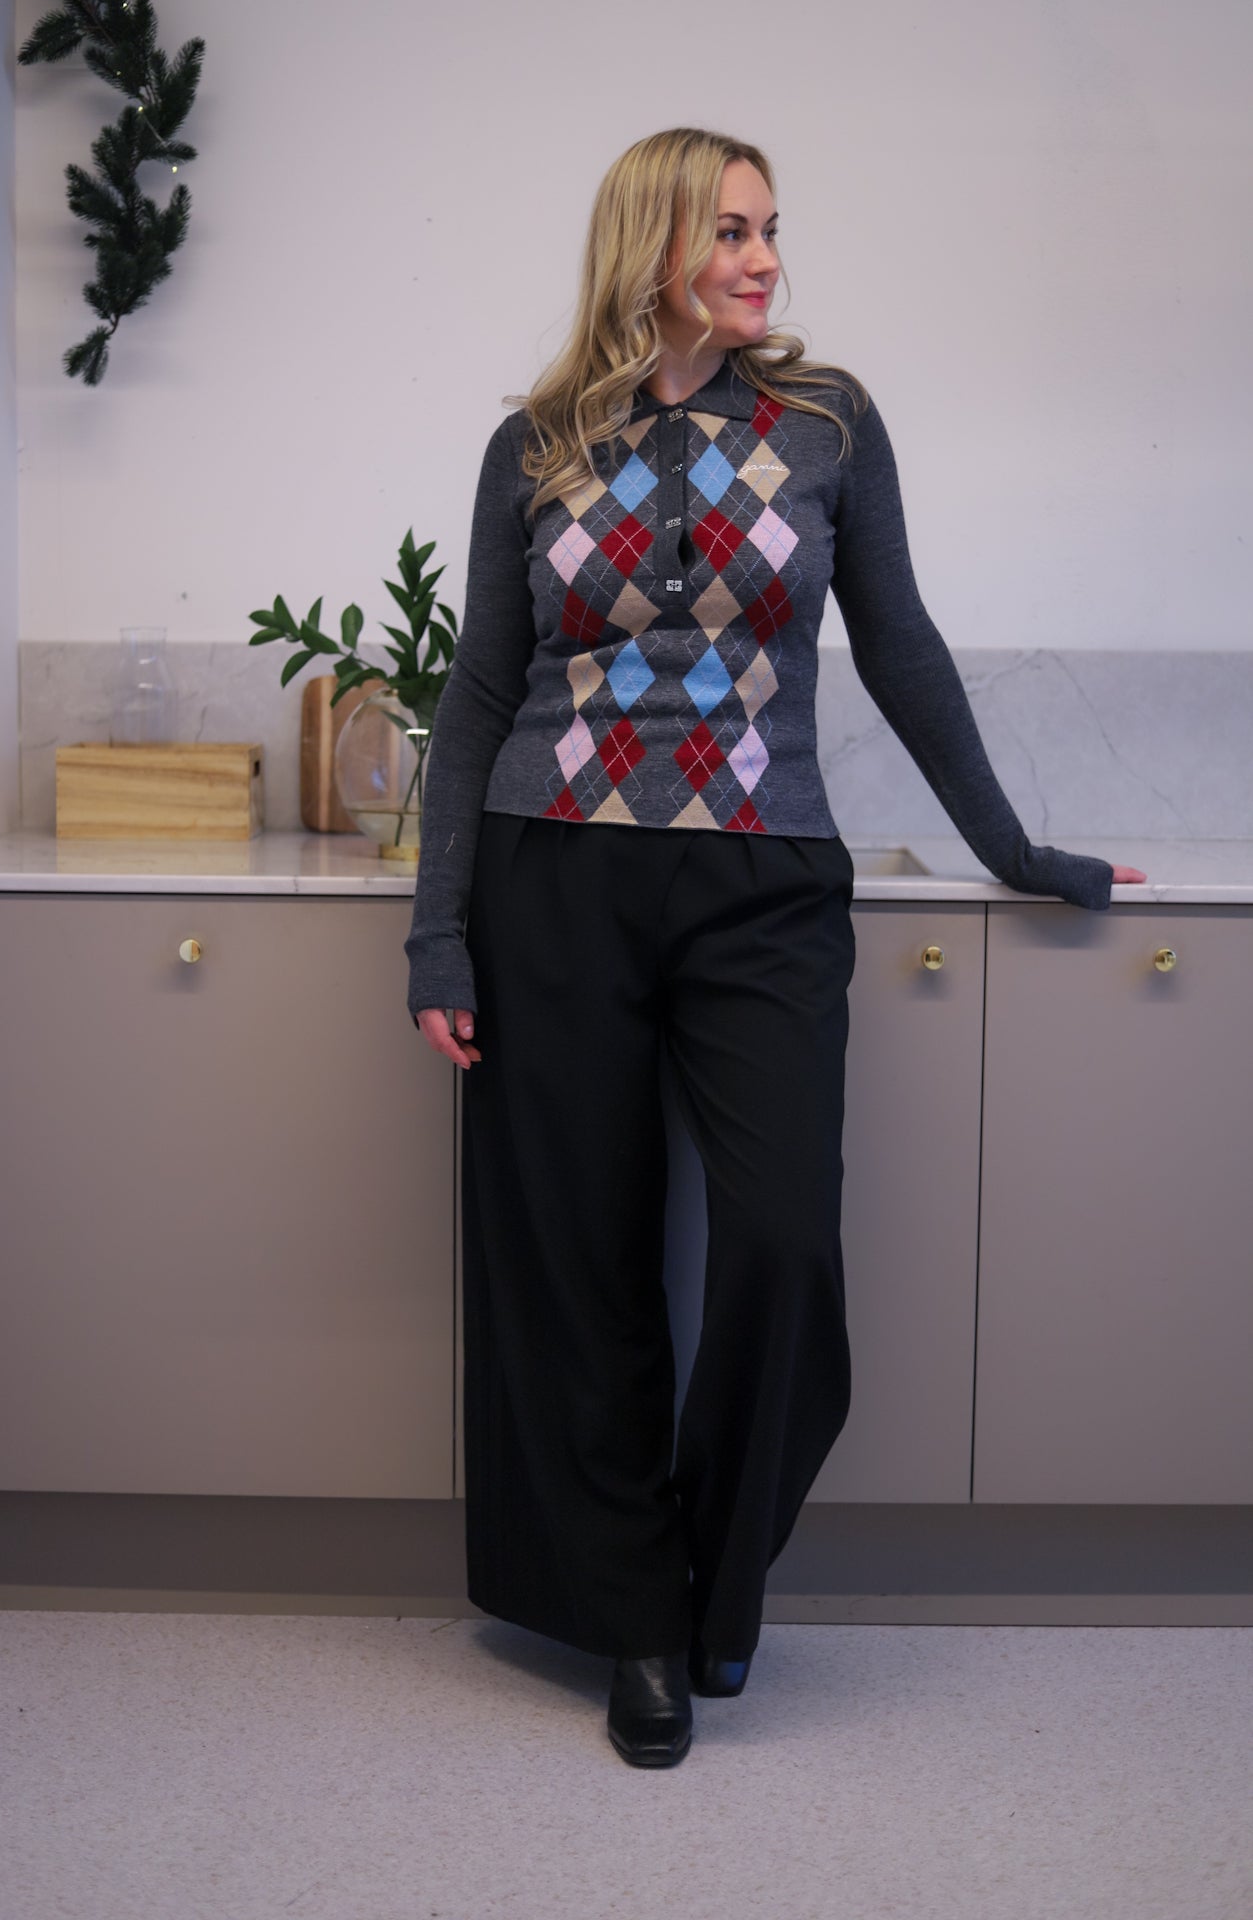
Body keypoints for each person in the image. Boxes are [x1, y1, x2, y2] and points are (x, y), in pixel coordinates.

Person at [403, 126, 1147, 1769]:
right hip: (552, 873)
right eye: (729, 231)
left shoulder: (822, 424)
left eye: (767, 230)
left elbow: (898, 644)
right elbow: (478, 692)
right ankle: (637, 1621)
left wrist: (1016, 850)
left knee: (779, 1242)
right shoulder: (537, 442)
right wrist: (438, 937)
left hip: (762, 878)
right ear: (651, 245)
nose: (762, 260)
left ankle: (717, 1575)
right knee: (579, 1262)